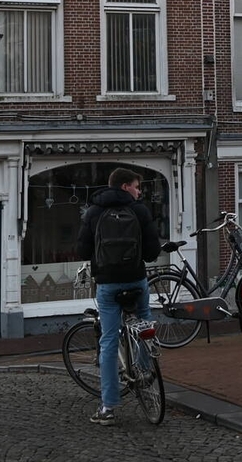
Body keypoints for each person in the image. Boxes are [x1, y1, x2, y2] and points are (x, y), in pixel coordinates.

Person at [77, 167, 161, 425]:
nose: (139, 192)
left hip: (108, 284)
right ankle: (145, 371)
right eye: (137, 187)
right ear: (125, 187)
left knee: (109, 341)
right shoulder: (140, 211)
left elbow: (82, 250)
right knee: (144, 321)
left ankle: (108, 407)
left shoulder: (94, 211)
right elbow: (152, 253)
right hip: (136, 280)